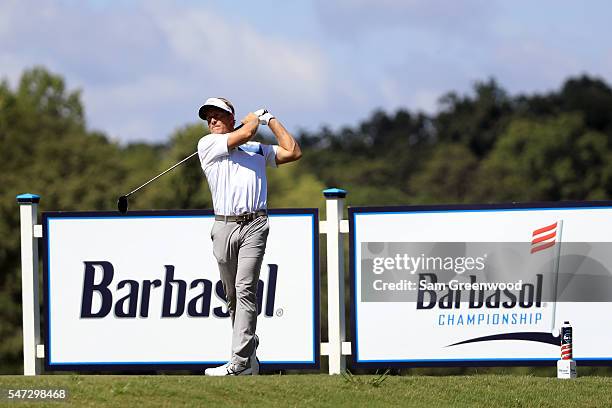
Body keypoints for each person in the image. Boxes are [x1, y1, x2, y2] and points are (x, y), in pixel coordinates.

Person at [197, 97, 302, 375]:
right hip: (223, 227)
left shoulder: (256, 149)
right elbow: (245, 131)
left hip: (255, 224)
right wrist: (253, 119)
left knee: (245, 290)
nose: (212, 121)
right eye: (208, 117)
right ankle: (248, 349)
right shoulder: (207, 145)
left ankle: (240, 363)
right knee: (232, 296)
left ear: (231, 118)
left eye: (218, 115)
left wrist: (270, 119)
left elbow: (292, 152)